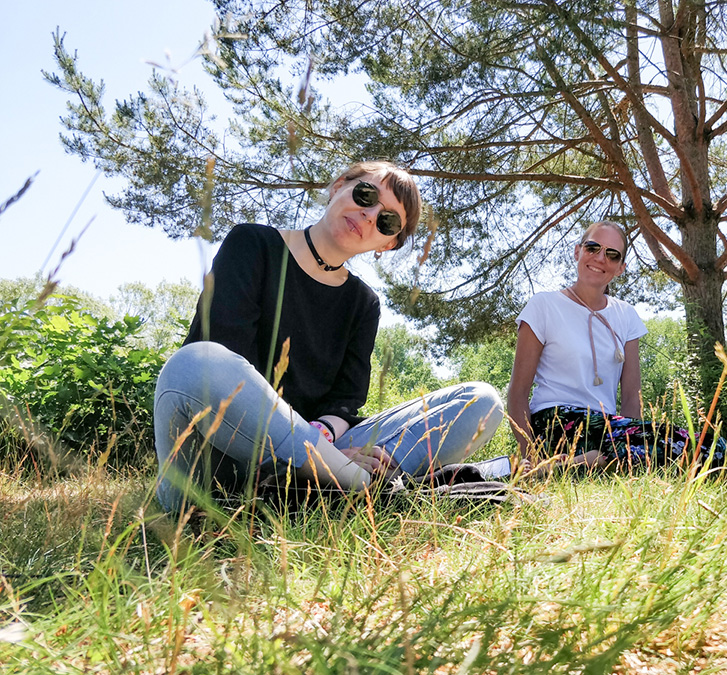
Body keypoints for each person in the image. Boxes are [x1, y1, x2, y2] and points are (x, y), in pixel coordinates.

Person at [154, 161, 502, 513]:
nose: (369, 216)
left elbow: (344, 403)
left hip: (321, 457)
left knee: (481, 402)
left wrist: (324, 441)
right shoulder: (253, 243)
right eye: (366, 195)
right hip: (217, 461)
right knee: (195, 363)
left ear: (388, 243)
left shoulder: (363, 303)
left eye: (387, 221)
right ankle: (364, 486)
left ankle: (331, 484)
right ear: (338, 186)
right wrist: (329, 457)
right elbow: (223, 366)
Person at [508, 221, 727, 475]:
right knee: (670, 447)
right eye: (593, 248)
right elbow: (518, 391)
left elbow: (631, 400)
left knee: (715, 448)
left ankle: (592, 463)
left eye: (612, 254)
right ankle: (555, 467)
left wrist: (634, 438)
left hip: (610, 428)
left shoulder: (626, 315)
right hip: (556, 423)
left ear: (621, 268)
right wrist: (529, 453)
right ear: (577, 251)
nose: (601, 258)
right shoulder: (544, 305)